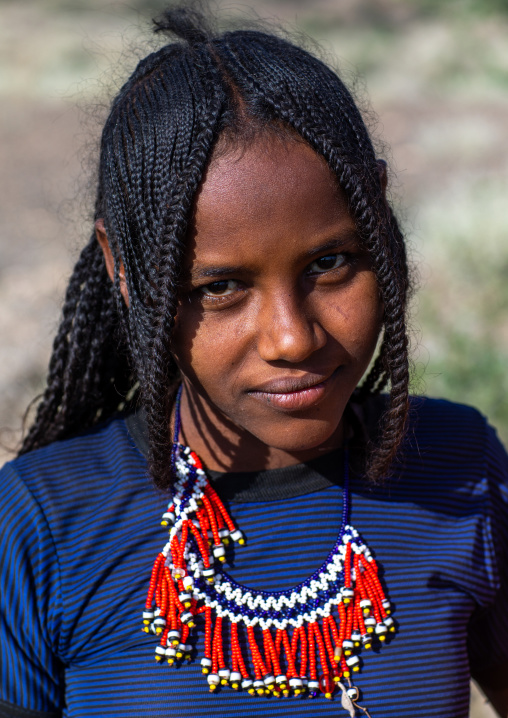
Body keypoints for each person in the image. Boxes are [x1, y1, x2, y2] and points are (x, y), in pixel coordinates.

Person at [1, 6, 507, 718]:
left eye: (331, 264)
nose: (292, 338)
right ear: (125, 269)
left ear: (378, 216)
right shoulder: (46, 524)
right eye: (221, 287)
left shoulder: (459, 475)